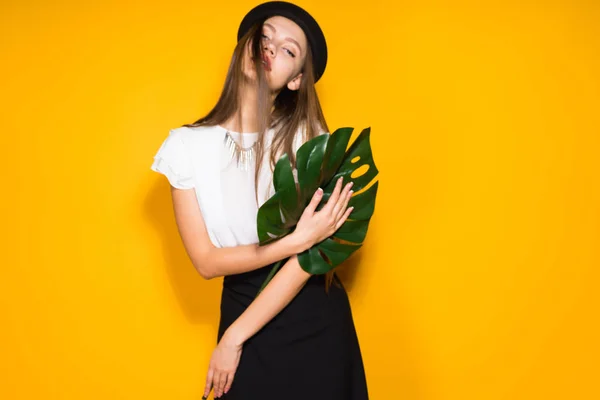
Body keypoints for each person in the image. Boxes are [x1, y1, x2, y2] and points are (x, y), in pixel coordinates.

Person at [150, 1, 369, 399]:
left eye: (288, 50)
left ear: (296, 81)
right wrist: (297, 240)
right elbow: (206, 262)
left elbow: (309, 262)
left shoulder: (308, 138)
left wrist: (233, 337)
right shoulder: (184, 148)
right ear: (244, 48)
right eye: (264, 37)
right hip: (241, 307)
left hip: (313, 320)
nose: (269, 48)